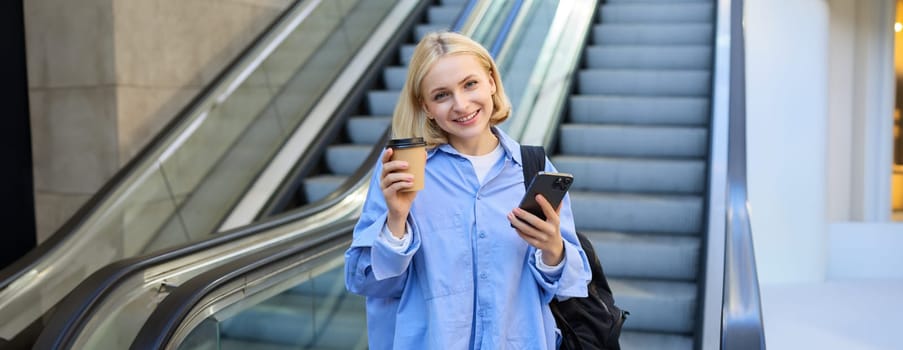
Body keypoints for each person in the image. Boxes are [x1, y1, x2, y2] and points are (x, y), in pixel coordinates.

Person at [344, 31, 591, 349]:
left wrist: (553, 249)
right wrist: (395, 221)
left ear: (491, 81)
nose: (461, 105)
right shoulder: (404, 172)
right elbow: (365, 283)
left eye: (470, 84)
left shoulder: (534, 169)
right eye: (441, 95)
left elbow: (572, 285)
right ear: (427, 106)